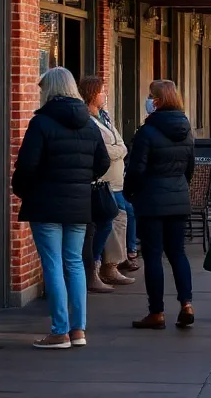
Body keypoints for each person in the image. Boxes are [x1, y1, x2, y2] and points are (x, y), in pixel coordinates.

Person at [12, 67, 109, 349]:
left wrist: (22, 190)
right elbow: (102, 163)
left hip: (45, 203)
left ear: (50, 89)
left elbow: (27, 165)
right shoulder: (89, 123)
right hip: (79, 203)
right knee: (75, 263)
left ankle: (59, 331)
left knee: (53, 264)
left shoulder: (41, 123)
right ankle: (78, 330)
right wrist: (81, 179)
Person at [125, 80, 196, 330]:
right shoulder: (186, 130)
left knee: (153, 255)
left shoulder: (147, 131)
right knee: (177, 253)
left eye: (150, 96)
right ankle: (186, 303)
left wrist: (130, 191)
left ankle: (156, 312)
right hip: (178, 197)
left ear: (157, 101)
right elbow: (190, 168)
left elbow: (136, 169)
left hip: (151, 199)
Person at [77, 77, 135, 293]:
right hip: (102, 182)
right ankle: (100, 266)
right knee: (111, 219)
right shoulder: (86, 119)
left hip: (115, 181)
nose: (105, 94)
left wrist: (117, 150)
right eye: (102, 91)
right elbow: (101, 149)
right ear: (92, 93)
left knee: (120, 216)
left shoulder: (105, 116)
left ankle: (112, 263)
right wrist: (118, 151)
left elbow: (120, 143)